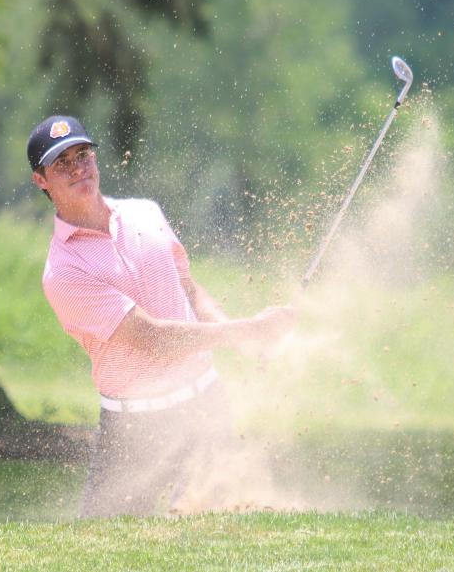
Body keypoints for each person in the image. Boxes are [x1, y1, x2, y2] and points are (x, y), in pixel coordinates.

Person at [27, 115, 296, 517]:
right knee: (104, 551)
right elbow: (152, 338)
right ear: (41, 181)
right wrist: (246, 332)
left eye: (82, 155)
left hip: (205, 406)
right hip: (133, 430)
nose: (77, 168)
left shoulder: (145, 213)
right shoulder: (63, 271)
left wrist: (238, 338)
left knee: (220, 535)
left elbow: (189, 289)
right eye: (61, 163)